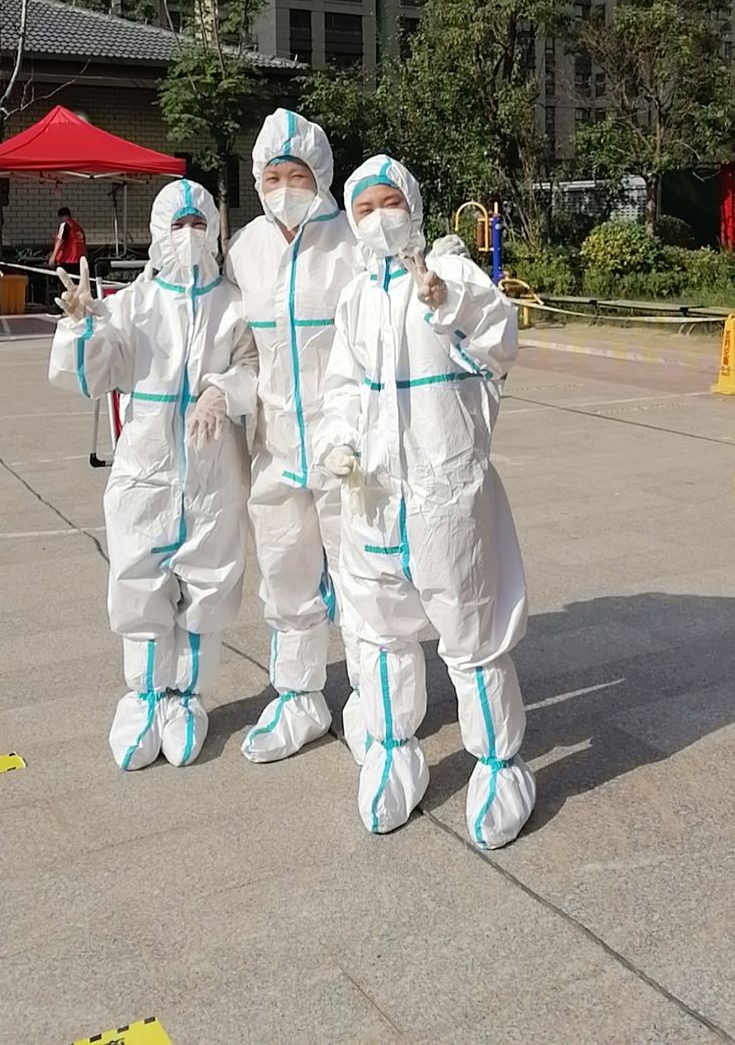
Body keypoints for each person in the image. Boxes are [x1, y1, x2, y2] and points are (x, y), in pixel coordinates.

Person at [315, 154, 536, 850]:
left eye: (389, 202)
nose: (379, 217)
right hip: (373, 499)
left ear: (411, 204)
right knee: (382, 635)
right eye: (364, 208)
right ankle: (391, 754)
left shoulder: (453, 274)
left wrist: (446, 303)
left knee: (472, 634)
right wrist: (338, 440)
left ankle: (499, 767)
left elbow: (499, 341)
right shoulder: (354, 298)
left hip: (446, 498)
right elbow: (342, 385)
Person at [49, 179, 258, 771]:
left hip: (214, 469)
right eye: (178, 225)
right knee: (139, 578)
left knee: (208, 582)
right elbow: (92, 378)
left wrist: (221, 391)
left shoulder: (233, 303)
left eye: (199, 225)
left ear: (213, 232)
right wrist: (81, 326)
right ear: (159, 232)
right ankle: (143, 698)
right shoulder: (132, 304)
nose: (189, 236)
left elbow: (253, 366)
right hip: (147, 468)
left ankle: (187, 698)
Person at [226, 108, 360, 762]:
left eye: (297, 173)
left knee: (363, 574)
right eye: (272, 175)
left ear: (321, 174)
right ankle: (299, 696)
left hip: (347, 449)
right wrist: (221, 392)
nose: (283, 187)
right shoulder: (244, 249)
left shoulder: (353, 240)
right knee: (285, 573)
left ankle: (375, 698)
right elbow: (239, 349)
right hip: (276, 444)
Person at [48, 205, 87, 273]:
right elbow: (83, 244)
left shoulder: (65, 225)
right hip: (79, 261)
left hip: (67, 260)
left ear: (61, 217)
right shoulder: (78, 228)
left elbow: (60, 241)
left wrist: (53, 257)